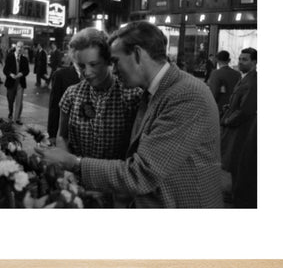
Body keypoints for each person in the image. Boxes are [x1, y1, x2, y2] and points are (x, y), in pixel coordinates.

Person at [37, 21, 223, 208]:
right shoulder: (154, 92)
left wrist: (74, 163)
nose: (115, 70)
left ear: (137, 54)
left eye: (115, 61)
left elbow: (142, 173)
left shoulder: (186, 94)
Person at [55, 28, 142, 161]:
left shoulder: (132, 96)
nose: (87, 72)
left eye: (93, 64)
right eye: (81, 66)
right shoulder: (71, 94)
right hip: (77, 177)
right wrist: (66, 167)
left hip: (115, 177)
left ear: (108, 60)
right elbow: (62, 136)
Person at [220, 47, 257, 208]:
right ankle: (234, 193)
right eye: (240, 59)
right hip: (236, 126)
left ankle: (238, 196)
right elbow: (238, 102)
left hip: (241, 130)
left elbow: (245, 110)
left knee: (238, 161)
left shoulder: (253, 81)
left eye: (245, 59)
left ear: (254, 62)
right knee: (234, 162)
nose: (240, 62)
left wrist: (228, 121)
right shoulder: (244, 78)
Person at [47, 60, 81, 142]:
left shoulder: (95, 76)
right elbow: (54, 106)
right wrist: (52, 135)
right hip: (68, 135)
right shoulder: (60, 75)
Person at [207, 50, 241, 117]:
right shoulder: (237, 74)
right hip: (233, 107)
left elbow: (214, 93)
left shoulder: (215, 73)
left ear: (217, 60)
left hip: (220, 108)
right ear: (229, 60)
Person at [3, 41, 30, 124]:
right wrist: (10, 74)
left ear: (23, 49)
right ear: (16, 47)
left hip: (20, 83)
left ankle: (17, 118)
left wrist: (21, 74)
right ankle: (11, 112)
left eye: (21, 47)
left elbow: (27, 70)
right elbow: (5, 69)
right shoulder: (10, 57)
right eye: (18, 47)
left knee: (19, 101)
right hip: (11, 82)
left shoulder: (24, 59)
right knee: (10, 100)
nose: (20, 49)